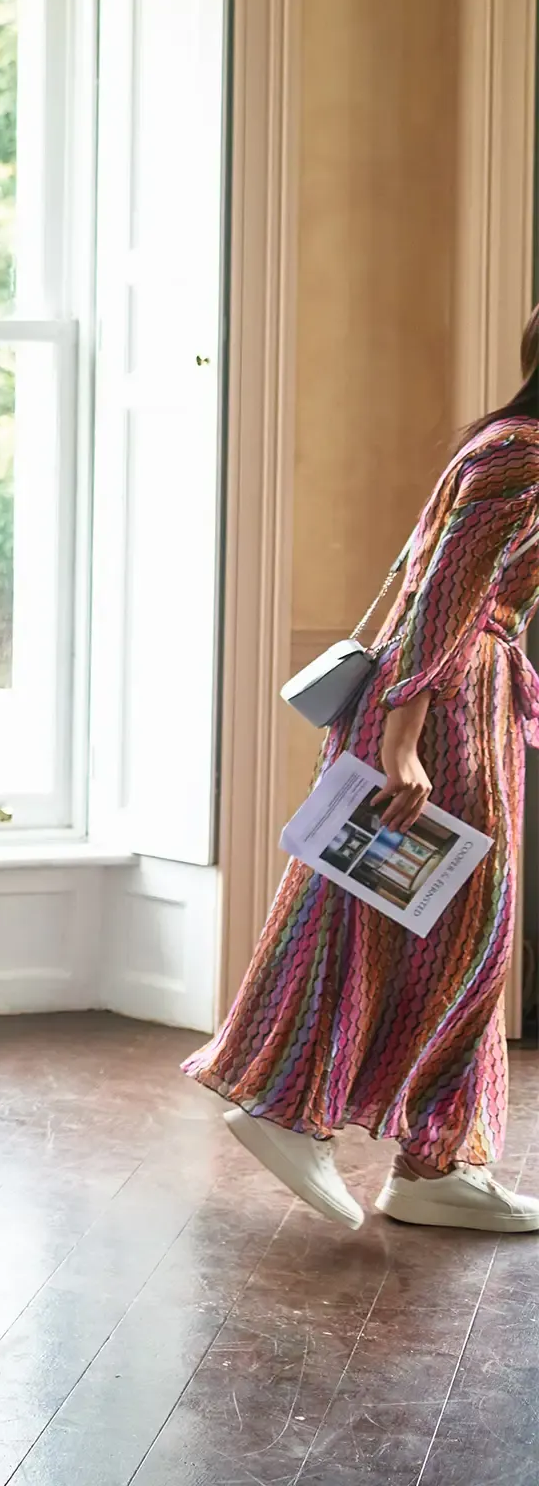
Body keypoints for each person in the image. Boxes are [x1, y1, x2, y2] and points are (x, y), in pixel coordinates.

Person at [186, 304, 539, 1233]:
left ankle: (434, 1163)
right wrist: (403, 739)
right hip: (443, 706)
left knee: (424, 921)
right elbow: (441, 599)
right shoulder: (520, 457)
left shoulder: (510, 447)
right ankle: (291, 1111)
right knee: (442, 923)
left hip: (466, 697)